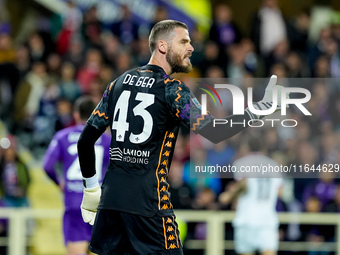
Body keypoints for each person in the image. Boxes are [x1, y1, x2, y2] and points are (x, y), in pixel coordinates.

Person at [78, 20, 288, 255]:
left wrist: (91, 190)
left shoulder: (118, 83)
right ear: (162, 46)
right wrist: (259, 109)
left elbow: (85, 140)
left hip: (111, 202)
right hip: (149, 202)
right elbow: (215, 131)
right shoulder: (172, 89)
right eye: (184, 41)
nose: (191, 48)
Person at [43, 96, 110, 255]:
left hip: (74, 203)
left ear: (76, 115)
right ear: (96, 114)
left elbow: (47, 166)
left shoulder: (62, 136)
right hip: (99, 202)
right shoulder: (106, 140)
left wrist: (59, 182)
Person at [219, 135, 283, 255]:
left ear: (247, 147)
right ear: (263, 147)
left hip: (247, 218)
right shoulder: (273, 164)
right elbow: (280, 191)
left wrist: (229, 195)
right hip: (267, 220)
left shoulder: (241, 163)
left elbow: (243, 184)